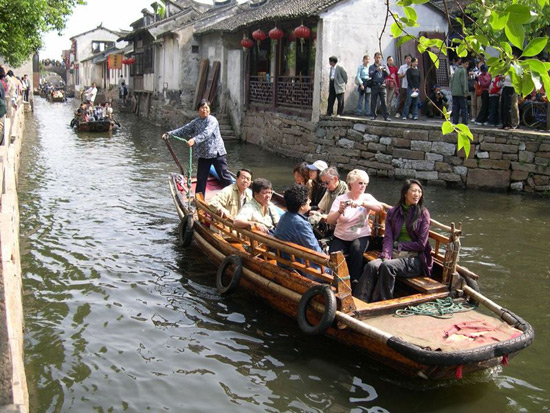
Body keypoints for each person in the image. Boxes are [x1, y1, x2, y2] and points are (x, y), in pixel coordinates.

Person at [354, 179, 432, 302]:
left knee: (387, 266)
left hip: (414, 259)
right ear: (405, 193)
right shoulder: (393, 212)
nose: (417, 194)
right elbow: (388, 238)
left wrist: (399, 245)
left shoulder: (423, 213)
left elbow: (421, 245)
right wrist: (386, 254)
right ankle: (359, 300)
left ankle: (382, 301)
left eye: (419, 191)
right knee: (372, 265)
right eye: (414, 191)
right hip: (395, 254)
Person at [162, 99, 232, 196]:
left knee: (224, 176)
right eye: (202, 108)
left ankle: (235, 195)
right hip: (204, 155)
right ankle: (199, 200)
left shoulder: (212, 120)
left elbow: (206, 133)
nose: (204, 110)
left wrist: (194, 140)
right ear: (198, 110)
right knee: (201, 178)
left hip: (217, 153)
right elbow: (184, 130)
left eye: (206, 108)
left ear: (209, 110)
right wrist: (169, 134)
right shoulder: (196, 122)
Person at [327, 169, 382, 282]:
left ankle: (355, 280)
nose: (363, 186)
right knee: (334, 253)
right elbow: (329, 220)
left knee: (356, 249)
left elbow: (380, 208)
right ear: (351, 184)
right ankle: (335, 280)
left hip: (361, 235)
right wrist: (339, 211)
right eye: (360, 183)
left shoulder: (366, 197)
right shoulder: (341, 199)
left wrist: (362, 203)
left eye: (365, 184)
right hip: (341, 236)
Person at [275, 184, 323, 254]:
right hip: (298, 262)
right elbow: (316, 251)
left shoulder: (284, 217)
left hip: (283, 258)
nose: (309, 201)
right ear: (302, 206)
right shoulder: (302, 224)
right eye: (308, 200)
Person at [369, 52, 391, 121]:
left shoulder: (384, 65)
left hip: (382, 86)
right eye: (377, 57)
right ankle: (373, 115)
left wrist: (383, 70)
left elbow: (388, 74)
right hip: (374, 85)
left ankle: (386, 116)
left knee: (384, 102)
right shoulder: (371, 67)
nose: (378, 59)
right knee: (373, 101)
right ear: (374, 58)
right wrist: (376, 70)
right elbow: (370, 74)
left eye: (379, 57)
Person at [450, 58, 469, 125]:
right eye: (466, 64)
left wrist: (452, 90)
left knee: (455, 108)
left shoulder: (456, 70)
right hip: (461, 93)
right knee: (463, 108)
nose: (467, 66)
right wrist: (465, 91)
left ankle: (455, 121)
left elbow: (451, 81)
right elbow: (464, 82)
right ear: (463, 63)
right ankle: (464, 122)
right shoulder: (463, 71)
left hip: (454, 92)